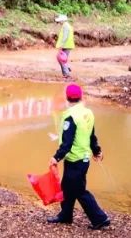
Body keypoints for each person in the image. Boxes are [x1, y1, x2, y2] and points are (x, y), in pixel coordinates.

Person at [46, 84, 110, 230]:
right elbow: (91, 135)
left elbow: (67, 143)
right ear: (81, 97)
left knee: (79, 190)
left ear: (67, 98)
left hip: (75, 159)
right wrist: (96, 151)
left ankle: (100, 218)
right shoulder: (88, 113)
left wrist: (56, 157)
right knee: (67, 187)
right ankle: (65, 215)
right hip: (83, 158)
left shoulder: (70, 116)